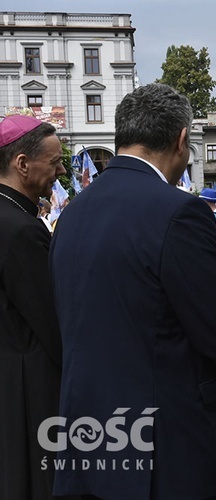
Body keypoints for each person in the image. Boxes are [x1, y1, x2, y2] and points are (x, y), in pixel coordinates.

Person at [50, 83, 216, 499]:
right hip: (166, 439)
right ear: (182, 140)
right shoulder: (180, 212)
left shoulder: (72, 214)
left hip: (87, 428)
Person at [0, 115, 65, 500]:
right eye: (55, 162)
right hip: (28, 387)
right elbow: (52, 324)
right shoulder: (21, 229)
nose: (60, 171)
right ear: (22, 164)